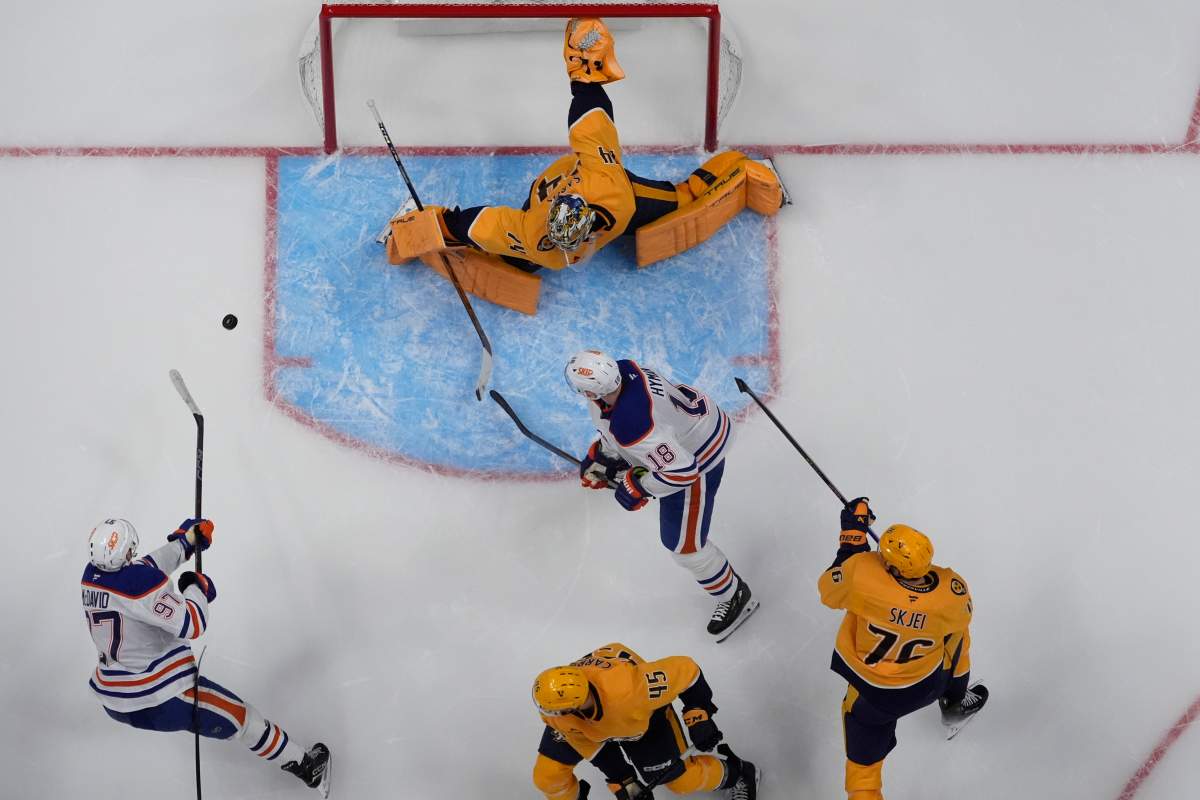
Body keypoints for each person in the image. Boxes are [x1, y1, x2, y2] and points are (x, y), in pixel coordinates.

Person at [383, 18, 784, 311]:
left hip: (596, 190)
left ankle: (745, 168)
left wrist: (585, 70)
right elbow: (468, 223)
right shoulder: (541, 238)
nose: (570, 251)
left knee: (685, 198)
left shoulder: (607, 185)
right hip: (548, 192)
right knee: (508, 255)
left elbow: (591, 118)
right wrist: (421, 231)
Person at [81, 518, 331, 797]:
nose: (133, 556)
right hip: (159, 698)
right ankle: (308, 768)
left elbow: (143, 570)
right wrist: (196, 588)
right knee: (243, 719)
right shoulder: (137, 588)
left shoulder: (91, 576)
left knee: (236, 717)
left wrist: (184, 543)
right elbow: (192, 622)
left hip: (114, 700)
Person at [564, 350, 757, 641]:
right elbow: (633, 427)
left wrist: (639, 487)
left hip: (700, 458)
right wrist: (608, 456)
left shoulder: (633, 424)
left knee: (684, 546)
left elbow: (682, 473)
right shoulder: (628, 371)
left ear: (590, 391)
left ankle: (734, 595)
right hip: (698, 429)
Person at [817, 499, 989, 800]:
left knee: (863, 777)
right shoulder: (951, 591)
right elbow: (961, 619)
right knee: (957, 636)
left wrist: (852, 540)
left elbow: (828, 591)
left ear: (892, 567)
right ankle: (954, 704)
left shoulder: (862, 573)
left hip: (872, 696)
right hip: (926, 684)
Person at [531, 642, 759, 800]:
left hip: (645, 722)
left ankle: (740, 774)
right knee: (547, 775)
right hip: (608, 721)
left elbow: (687, 670)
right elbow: (589, 742)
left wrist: (697, 715)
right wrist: (624, 780)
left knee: (681, 781)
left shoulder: (632, 691)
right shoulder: (556, 712)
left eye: (559, 713)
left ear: (575, 705)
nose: (549, 717)